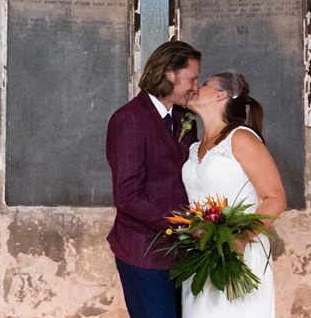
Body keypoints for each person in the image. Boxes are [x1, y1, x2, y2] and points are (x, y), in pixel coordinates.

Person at [108, 40, 203, 318]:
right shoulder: (129, 119)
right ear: (170, 74)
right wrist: (184, 224)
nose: (196, 87)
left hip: (182, 254)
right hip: (144, 255)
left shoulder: (185, 117)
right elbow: (127, 196)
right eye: (192, 79)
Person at [179, 72, 285, 318]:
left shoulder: (241, 138)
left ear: (221, 95)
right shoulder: (194, 147)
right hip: (202, 252)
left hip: (240, 252)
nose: (196, 87)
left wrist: (241, 238)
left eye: (205, 84)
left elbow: (275, 198)